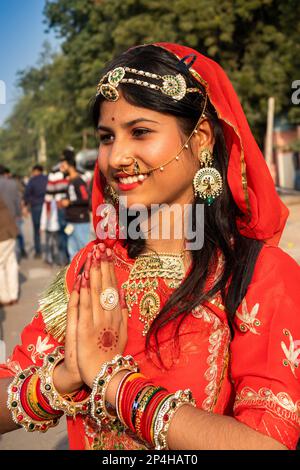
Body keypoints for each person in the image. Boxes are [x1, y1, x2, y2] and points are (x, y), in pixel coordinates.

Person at [0, 43, 299, 450]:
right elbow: (10, 383)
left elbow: (268, 443)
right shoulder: (94, 266)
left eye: (140, 131)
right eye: (107, 137)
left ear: (202, 140)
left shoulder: (261, 276)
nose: (117, 156)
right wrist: (63, 377)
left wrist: (114, 383)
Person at [59, 149, 90, 260]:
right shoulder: (70, 181)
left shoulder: (79, 181)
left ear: (69, 165)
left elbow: (86, 199)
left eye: (63, 164)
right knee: (73, 253)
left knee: (83, 253)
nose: (60, 167)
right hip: (71, 222)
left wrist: (70, 202)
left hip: (80, 222)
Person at [24, 165, 48, 258]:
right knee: (50, 229)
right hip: (47, 206)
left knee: (36, 229)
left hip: (36, 207)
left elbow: (27, 194)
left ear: (35, 171)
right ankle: (51, 250)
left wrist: (27, 203)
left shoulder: (32, 180)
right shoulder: (47, 179)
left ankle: (38, 252)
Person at [0, 196, 19, 305]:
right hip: (10, 231)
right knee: (11, 263)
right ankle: (13, 295)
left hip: (2, 235)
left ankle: (4, 296)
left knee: (1, 265)